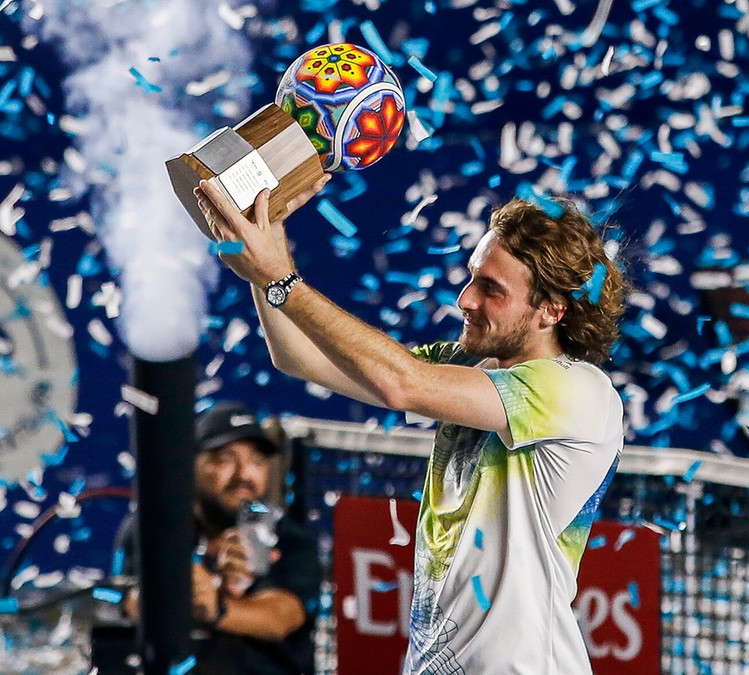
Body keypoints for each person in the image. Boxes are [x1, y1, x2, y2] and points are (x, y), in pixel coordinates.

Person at [195, 177, 628, 674]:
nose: (465, 299)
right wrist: (265, 253)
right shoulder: (473, 368)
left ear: (552, 310)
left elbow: (404, 384)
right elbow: (300, 357)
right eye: (472, 276)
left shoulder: (576, 390)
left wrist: (283, 281)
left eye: (491, 289)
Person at [112, 401, 320, 675]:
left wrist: (216, 609)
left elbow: (281, 617)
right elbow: (117, 597)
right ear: (190, 465)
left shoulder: (287, 537)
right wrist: (142, 602)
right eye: (225, 459)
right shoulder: (152, 529)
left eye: (257, 461)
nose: (244, 474)